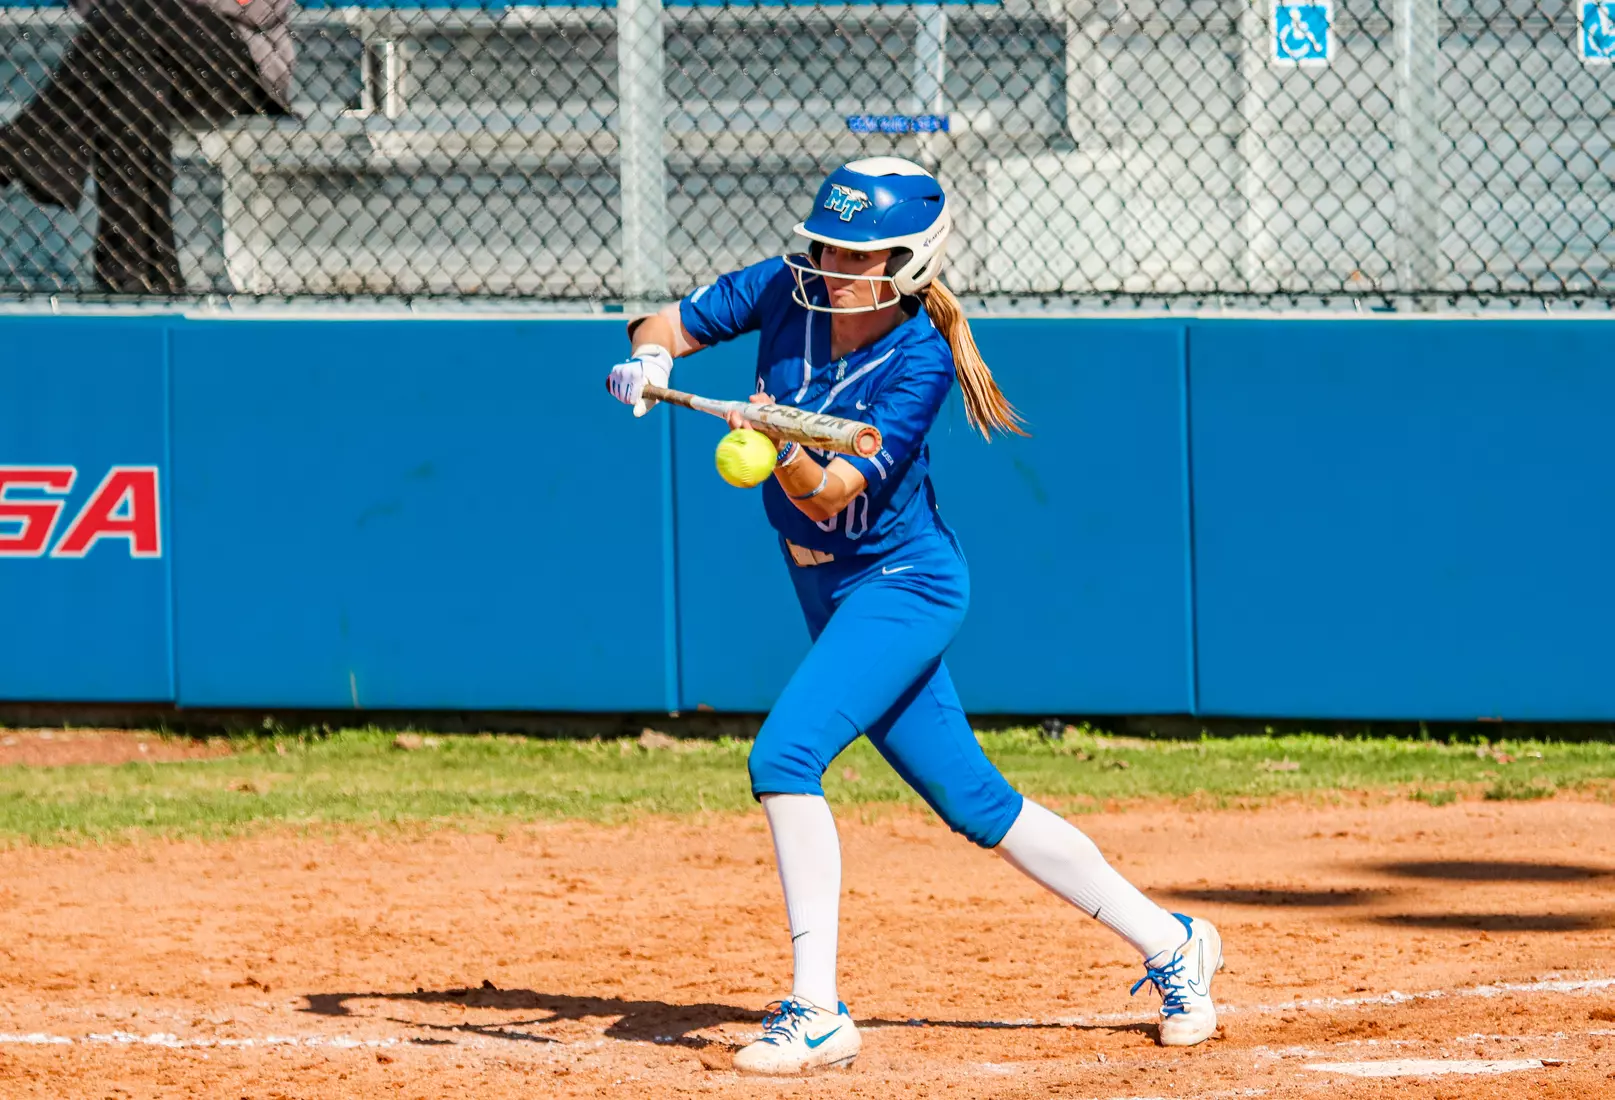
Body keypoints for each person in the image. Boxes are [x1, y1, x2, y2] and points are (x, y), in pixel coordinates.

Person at [606, 156, 1225, 1076]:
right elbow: (667, 321)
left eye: (856, 253)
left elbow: (830, 494)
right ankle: (1172, 942)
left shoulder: (920, 360)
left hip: (900, 584)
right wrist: (653, 356)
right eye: (825, 244)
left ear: (907, 261)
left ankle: (815, 1009)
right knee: (976, 804)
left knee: (783, 755)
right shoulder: (783, 289)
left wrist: (778, 448)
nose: (830, 263)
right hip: (823, 587)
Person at [0, 0, 294, 293]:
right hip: (137, 52)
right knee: (132, 88)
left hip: (229, 63)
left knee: (136, 12)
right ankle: (147, 272)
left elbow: (259, 9)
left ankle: (23, 141)